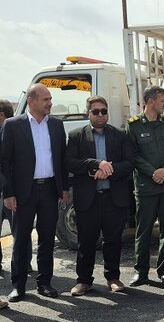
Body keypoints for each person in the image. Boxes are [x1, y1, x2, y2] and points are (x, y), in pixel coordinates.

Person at [2, 84, 70, 302]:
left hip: (49, 189)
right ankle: (18, 286)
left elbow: (62, 159)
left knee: (47, 238)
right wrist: (8, 193)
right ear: (31, 101)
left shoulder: (56, 125)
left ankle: (44, 283)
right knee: (21, 239)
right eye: (45, 99)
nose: (50, 103)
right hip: (24, 192)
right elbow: (4, 163)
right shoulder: (13, 125)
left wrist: (64, 187)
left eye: (50, 99)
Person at [65, 95, 134, 296]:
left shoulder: (120, 135)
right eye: (96, 111)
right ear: (88, 113)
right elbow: (70, 163)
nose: (100, 115)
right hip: (88, 199)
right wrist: (95, 165)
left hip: (113, 197)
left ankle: (113, 278)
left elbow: (129, 163)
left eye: (104, 111)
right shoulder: (76, 136)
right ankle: (84, 281)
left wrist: (108, 170)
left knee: (113, 241)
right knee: (86, 242)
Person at [126, 85, 164, 287]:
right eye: (162, 100)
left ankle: (163, 271)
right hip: (146, 188)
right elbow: (132, 155)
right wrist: (152, 172)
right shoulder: (133, 126)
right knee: (144, 230)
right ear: (150, 101)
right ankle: (140, 272)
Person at [0, 99, 14, 272]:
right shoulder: (21, 130)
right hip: (13, 189)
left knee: (20, 228)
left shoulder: (9, 131)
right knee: (20, 229)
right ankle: (24, 263)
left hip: (9, 190)